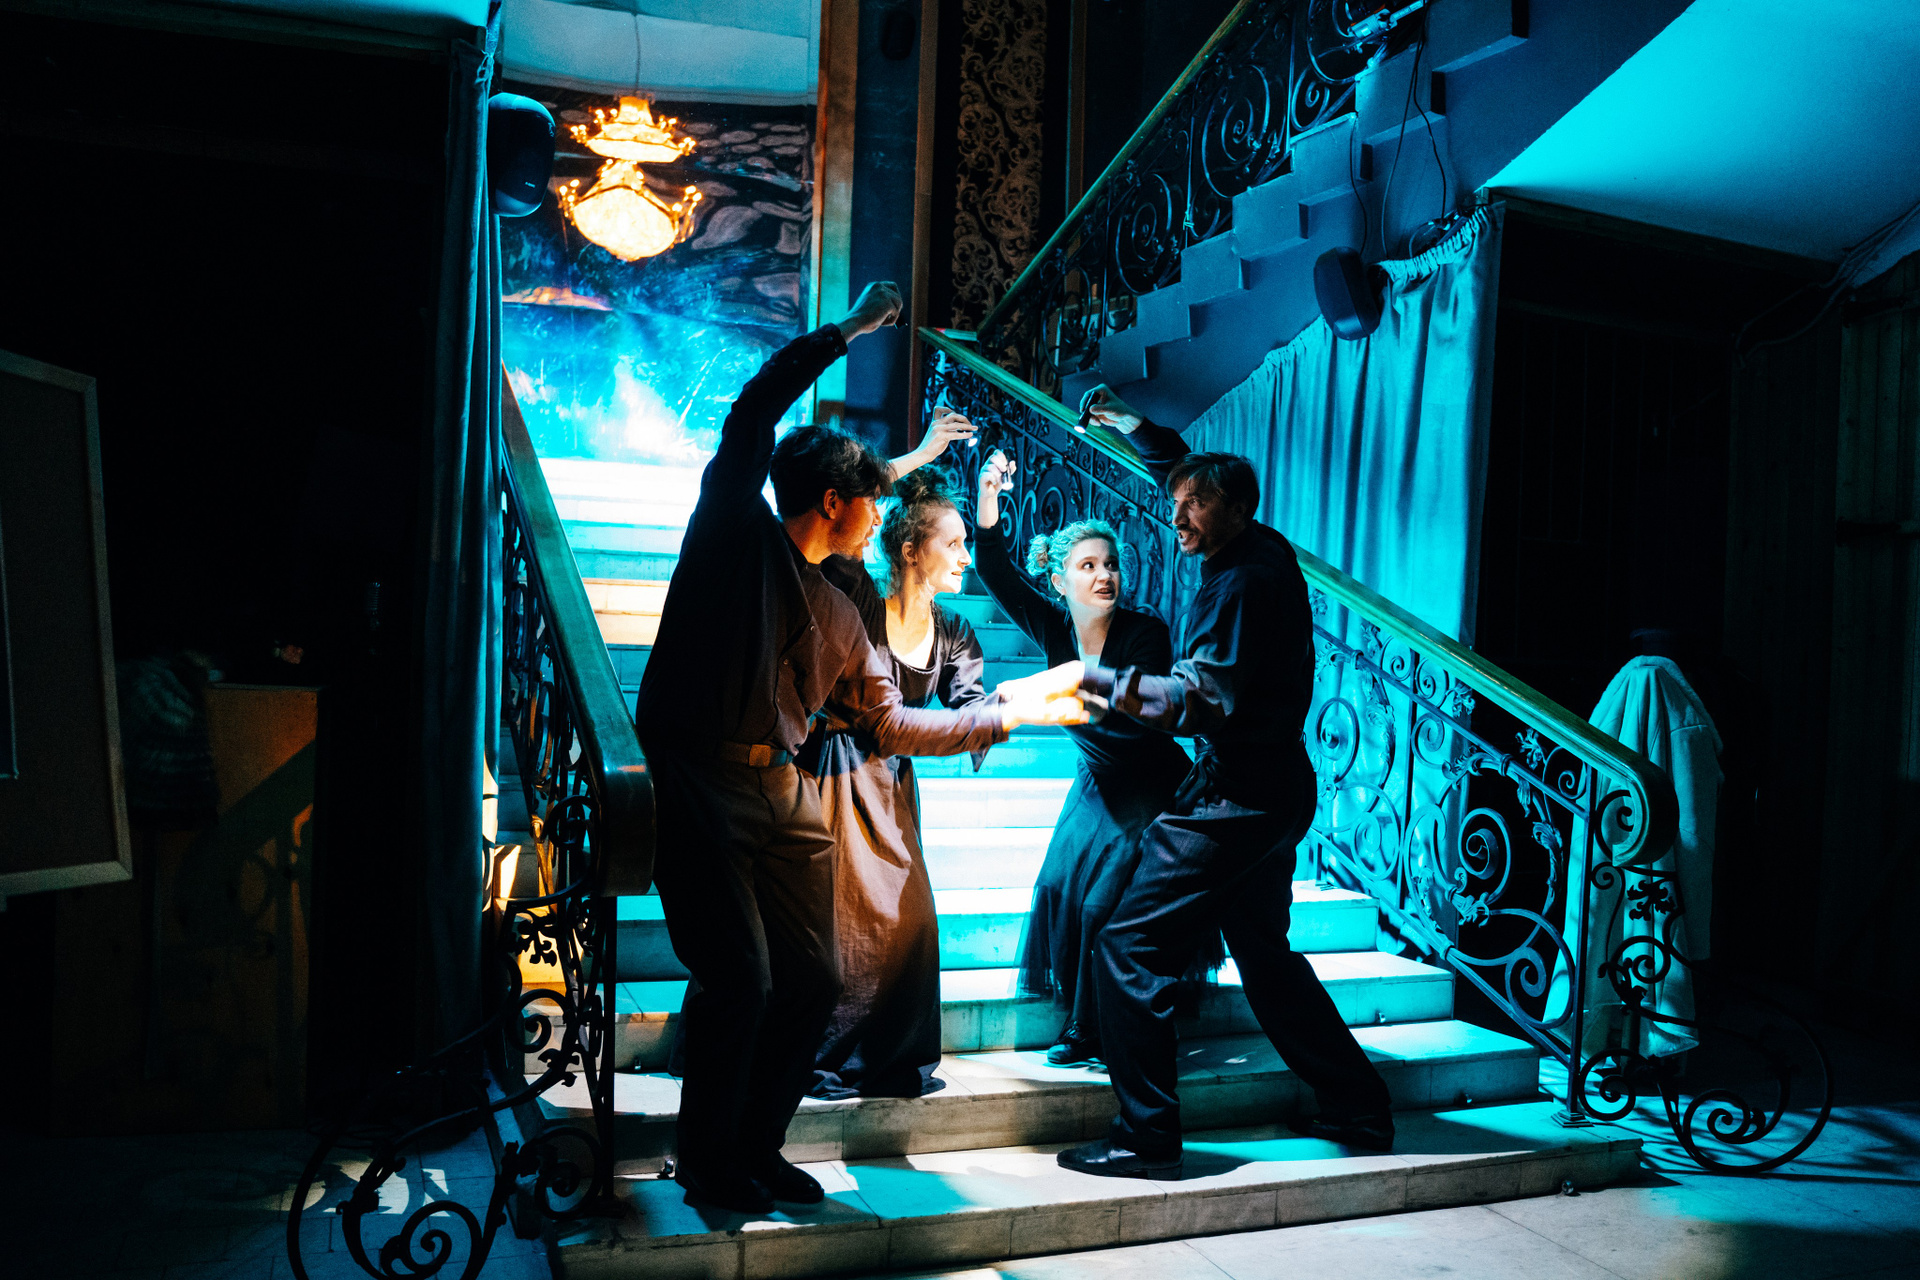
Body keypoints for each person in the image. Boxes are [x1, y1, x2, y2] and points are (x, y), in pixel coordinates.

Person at [633, 281, 1087, 1215]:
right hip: (702, 785)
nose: (881, 519)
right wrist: (850, 328)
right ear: (832, 501)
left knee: (815, 980)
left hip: (786, 797)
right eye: (870, 505)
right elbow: (755, 409)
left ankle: (757, 1147)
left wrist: (1010, 714)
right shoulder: (732, 532)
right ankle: (708, 1159)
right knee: (741, 982)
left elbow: (890, 726)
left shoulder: (843, 608)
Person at [1055, 386, 1393, 1180]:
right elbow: (1186, 470)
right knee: (1265, 955)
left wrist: (1097, 682)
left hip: (1235, 796)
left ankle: (1146, 1137)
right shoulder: (1257, 541)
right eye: (1175, 504)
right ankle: (1357, 1105)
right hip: (1277, 791)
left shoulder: (1239, 584)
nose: (1177, 516)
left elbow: (1201, 699)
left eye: (1194, 506)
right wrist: (1130, 423)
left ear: (1236, 508)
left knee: (1128, 945)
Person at [971, 447, 1204, 1067]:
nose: (1105, 576)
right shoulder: (1054, 627)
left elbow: (1124, 717)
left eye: (1111, 565)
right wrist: (989, 494)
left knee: (1106, 904)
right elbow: (993, 568)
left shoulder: (1146, 633)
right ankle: (1081, 1020)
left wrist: (1043, 694)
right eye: (1089, 565)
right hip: (1098, 780)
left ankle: (1101, 1027)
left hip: (1151, 784)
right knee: (1057, 888)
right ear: (1060, 581)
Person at [803, 452, 990, 1100]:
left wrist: (990, 718)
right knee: (841, 921)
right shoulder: (860, 601)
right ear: (911, 551)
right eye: (954, 544)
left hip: (893, 787)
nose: (965, 557)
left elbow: (969, 701)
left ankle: (888, 1055)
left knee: (912, 919)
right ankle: (820, 1054)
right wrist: (912, 460)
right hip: (835, 775)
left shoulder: (955, 629)